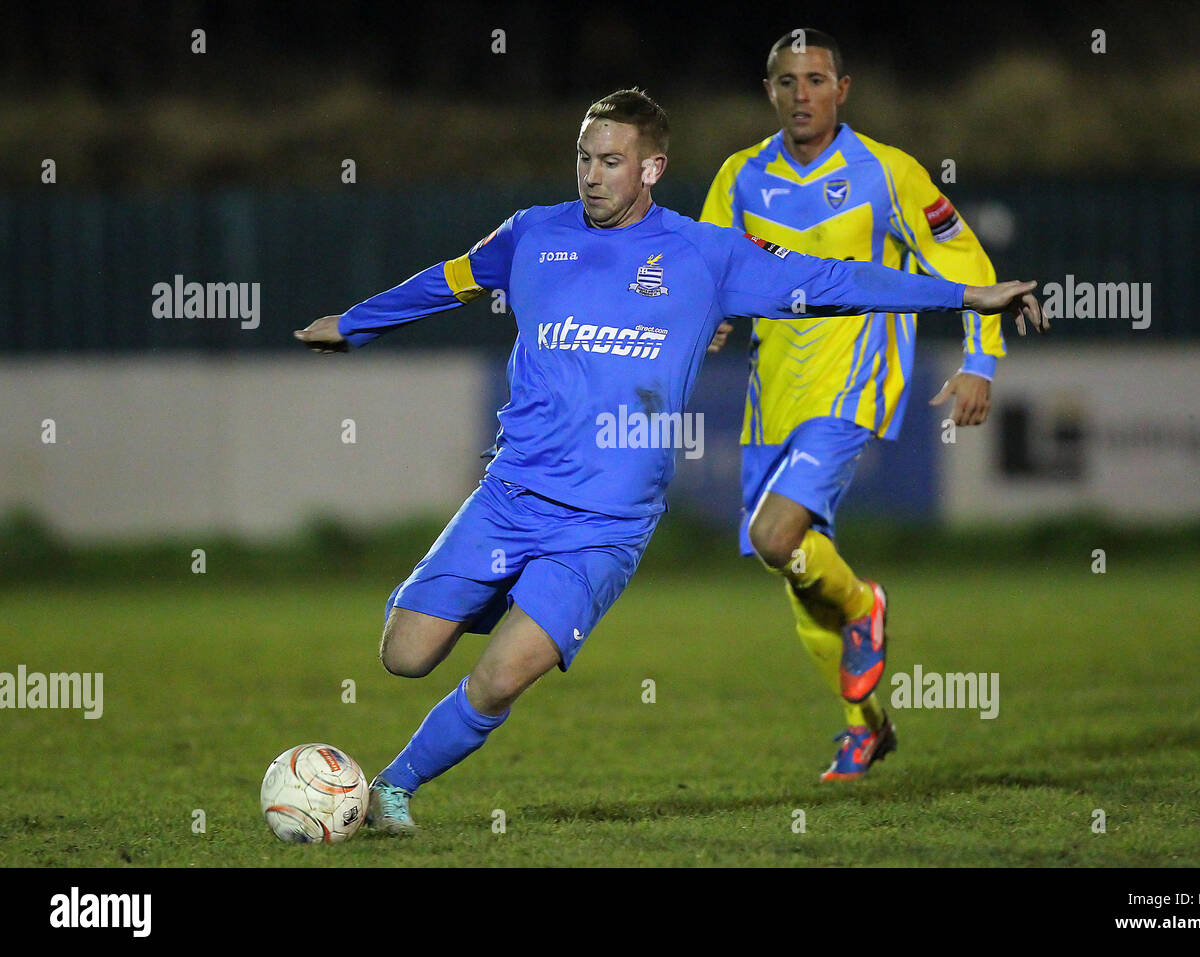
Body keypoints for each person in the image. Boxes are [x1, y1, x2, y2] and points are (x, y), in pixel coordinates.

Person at [295, 88, 1042, 832]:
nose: (591, 175)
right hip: (508, 496)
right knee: (404, 654)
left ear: (651, 167)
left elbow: (839, 280)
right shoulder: (531, 234)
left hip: (605, 526)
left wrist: (970, 295)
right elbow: (451, 278)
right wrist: (356, 325)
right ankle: (506, 599)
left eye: (611, 161)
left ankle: (393, 788)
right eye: (584, 158)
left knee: (498, 679)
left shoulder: (705, 254)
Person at [700, 29, 1045, 781]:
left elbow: (964, 263)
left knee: (776, 534)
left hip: (856, 381)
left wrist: (981, 359)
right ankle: (866, 724)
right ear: (770, 92)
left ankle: (865, 606)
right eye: (787, 81)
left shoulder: (887, 172)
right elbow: (709, 270)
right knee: (791, 562)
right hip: (773, 395)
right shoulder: (739, 177)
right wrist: (709, 317)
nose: (802, 95)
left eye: (816, 79)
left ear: (842, 90)